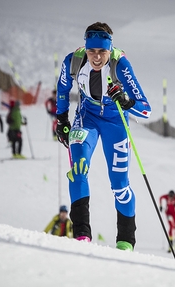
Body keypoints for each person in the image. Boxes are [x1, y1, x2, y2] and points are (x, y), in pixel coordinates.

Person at [55, 22, 151, 251]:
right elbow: (62, 89)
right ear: (85, 48)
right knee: (78, 168)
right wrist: (62, 119)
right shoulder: (73, 61)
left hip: (115, 122)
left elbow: (146, 109)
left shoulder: (120, 65)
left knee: (119, 185)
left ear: (110, 49)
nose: (96, 58)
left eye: (102, 52)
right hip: (86, 118)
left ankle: (126, 241)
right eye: (92, 51)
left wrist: (127, 102)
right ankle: (81, 235)